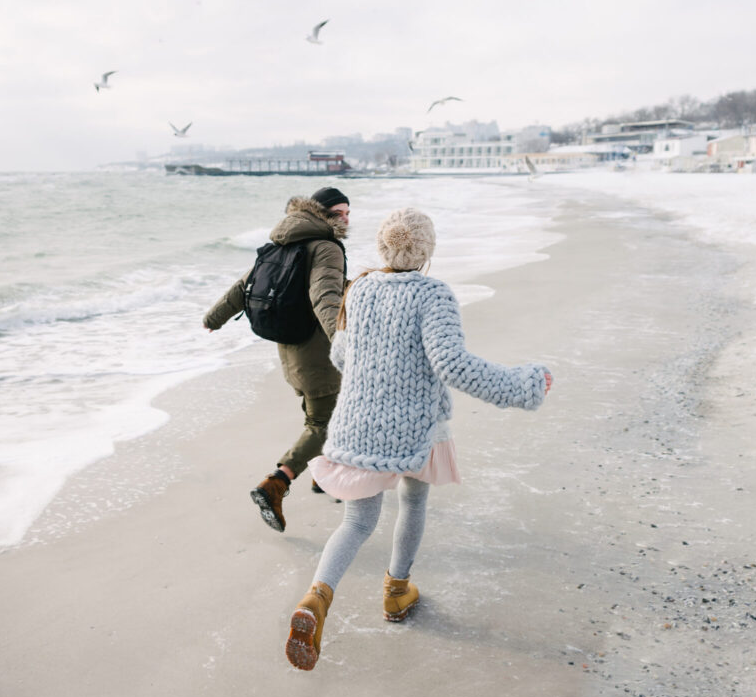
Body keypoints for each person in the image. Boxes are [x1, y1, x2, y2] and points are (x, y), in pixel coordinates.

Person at [283, 207, 552, 671]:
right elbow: (452, 365)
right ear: (426, 251)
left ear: (383, 246)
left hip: (360, 424)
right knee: (412, 503)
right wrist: (521, 385)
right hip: (417, 428)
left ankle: (316, 598)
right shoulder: (434, 296)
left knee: (356, 523)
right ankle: (396, 592)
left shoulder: (360, 288)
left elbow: (342, 354)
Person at [203, 186, 350, 533]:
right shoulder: (326, 247)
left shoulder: (282, 244)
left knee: (327, 414)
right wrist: (344, 343)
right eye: (339, 212)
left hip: (290, 349)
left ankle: (324, 477)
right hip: (319, 352)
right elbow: (325, 298)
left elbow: (244, 287)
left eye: (348, 212)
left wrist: (214, 317)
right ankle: (276, 483)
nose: (345, 219)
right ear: (322, 213)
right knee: (322, 423)